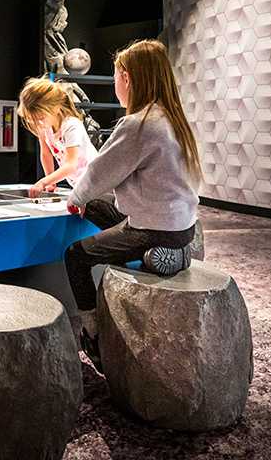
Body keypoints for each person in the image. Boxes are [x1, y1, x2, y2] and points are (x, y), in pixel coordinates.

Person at [63, 39, 201, 370]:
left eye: (115, 75)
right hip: (181, 228)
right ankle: (167, 255)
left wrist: (74, 199)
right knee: (98, 207)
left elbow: (100, 171)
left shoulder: (139, 124)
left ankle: (93, 337)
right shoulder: (173, 118)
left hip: (152, 229)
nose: (115, 83)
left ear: (128, 77)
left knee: (76, 255)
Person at [17, 77, 100, 198]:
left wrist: (44, 181)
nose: (38, 124)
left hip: (97, 182)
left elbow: (71, 165)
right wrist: (51, 181)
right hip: (79, 184)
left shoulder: (71, 126)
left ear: (55, 108)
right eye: (33, 120)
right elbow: (46, 154)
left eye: (40, 118)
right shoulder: (45, 127)